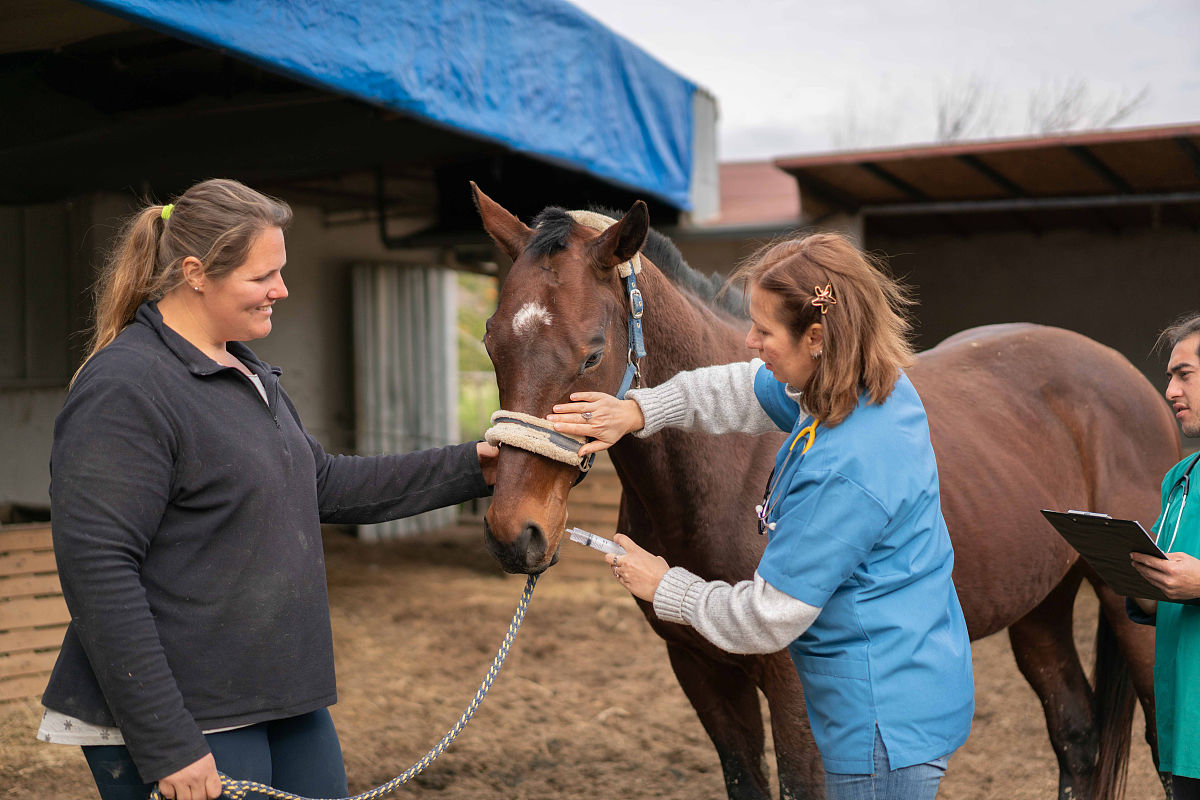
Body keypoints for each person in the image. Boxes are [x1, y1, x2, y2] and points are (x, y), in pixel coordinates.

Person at [37, 178, 499, 800]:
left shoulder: (244, 369)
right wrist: (167, 741)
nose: (282, 289)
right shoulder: (127, 386)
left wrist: (478, 466)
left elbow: (323, 483)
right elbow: (98, 569)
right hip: (190, 713)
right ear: (197, 273)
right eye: (264, 276)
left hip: (282, 691)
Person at [547, 233, 974, 799]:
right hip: (907, 678)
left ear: (816, 337)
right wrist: (639, 410)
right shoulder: (864, 389)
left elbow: (770, 617)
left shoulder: (847, 469)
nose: (749, 342)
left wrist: (665, 586)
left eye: (765, 331)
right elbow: (745, 388)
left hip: (879, 725)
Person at [1130, 314, 1200, 800]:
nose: (1171, 391)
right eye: (1170, 377)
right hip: (1184, 725)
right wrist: (1147, 587)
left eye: (1185, 375)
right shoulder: (1179, 476)